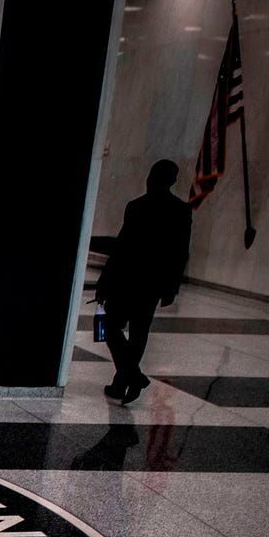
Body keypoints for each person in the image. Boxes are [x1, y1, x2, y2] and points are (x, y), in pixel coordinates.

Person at [94, 159, 191, 404]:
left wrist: (104, 281)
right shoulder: (181, 210)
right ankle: (125, 380)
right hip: (152, 284)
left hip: (127, 279)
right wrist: (171, 288)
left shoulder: (137, 206)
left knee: (112, 329)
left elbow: (121, 248)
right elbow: (180, 253)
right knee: (139, 332)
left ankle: (130, 378)